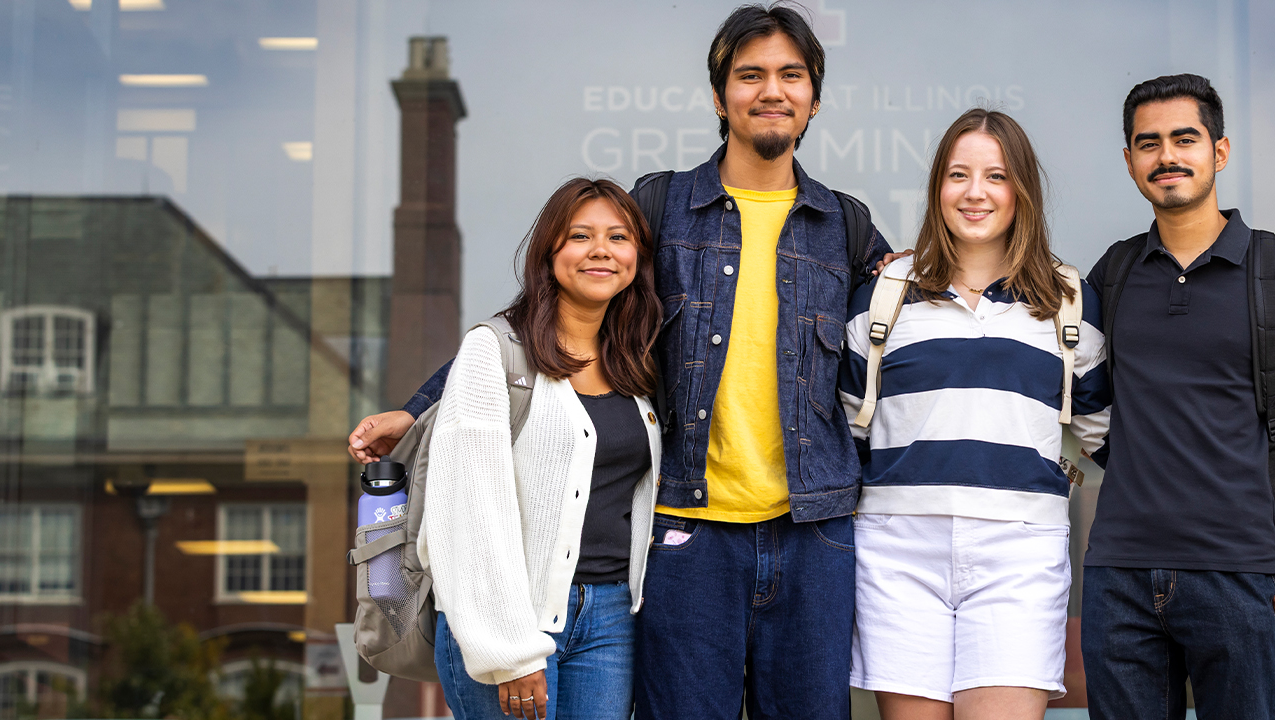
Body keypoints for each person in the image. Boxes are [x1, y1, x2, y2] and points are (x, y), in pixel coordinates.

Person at [347, 5, 891, 718]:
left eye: (791, 75)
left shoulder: (844, 225)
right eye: (749, 74)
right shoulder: (662, 208)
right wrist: (422, 408)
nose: (771, 91)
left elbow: (914, 331)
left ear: (813, 98)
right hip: (687, 534)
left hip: (813, 533)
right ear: (719, 95)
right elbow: (545, 321)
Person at [1078, 73, 1275, 720]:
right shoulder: (1113, 274)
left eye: (1184, 139)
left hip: (1236, 572)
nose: (1166, 156)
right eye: (1148, 143)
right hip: (1118, 573)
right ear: (1130, 161)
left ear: (1219, 151)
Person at [838, 108, 1110, 720]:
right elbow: (847, 437)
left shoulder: (1070, 301)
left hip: (1021, 553)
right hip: (897, 551)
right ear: (938, 186)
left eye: (996, 176)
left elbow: (1109, 442)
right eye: (958, 175)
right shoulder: (883, 294)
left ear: (1023, 191)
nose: (975, 192)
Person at [423, 178, 663, 720]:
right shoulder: (495, 351)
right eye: (580, 236)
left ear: (637, 257)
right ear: (549, 253)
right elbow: (470, 509)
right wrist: (508, 650)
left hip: (610, 621)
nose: (601, 250)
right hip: (511, 619)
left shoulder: (637, 362)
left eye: (618, 237)